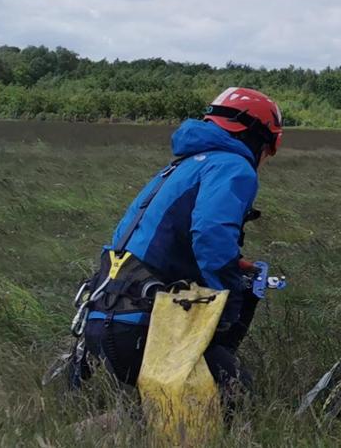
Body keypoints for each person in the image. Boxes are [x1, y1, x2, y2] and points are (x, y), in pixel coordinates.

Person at [74, 87, 284, 395]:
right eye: (267, 150)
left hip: (103, 320)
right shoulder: (232, 166)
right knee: (235, 395)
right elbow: (211, 235)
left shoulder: (181, 166)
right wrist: (230, 301)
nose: (264, 159)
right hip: (144, 327)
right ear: (257, 137)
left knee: (151, 408)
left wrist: (232, 263)